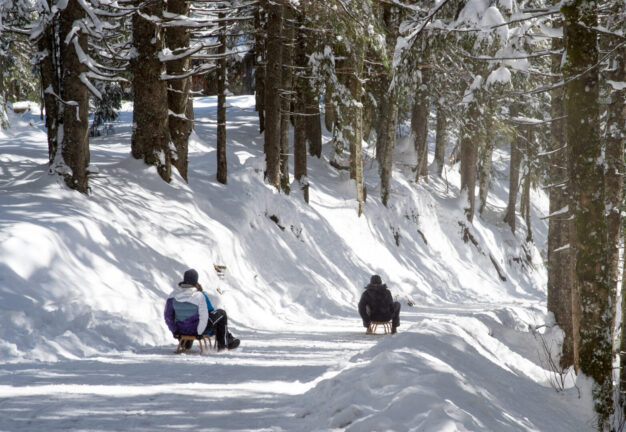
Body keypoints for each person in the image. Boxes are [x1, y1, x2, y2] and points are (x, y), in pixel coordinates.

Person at [164, 269, 240, 351]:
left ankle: (186, 342)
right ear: (195, 280)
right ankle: (224, 345)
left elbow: (168, 316)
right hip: (196, 330)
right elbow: (208, 313)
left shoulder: (173, 295)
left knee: (186, 316)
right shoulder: (199, 295)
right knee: (221, 314)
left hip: (180, 330)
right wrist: (199, 333)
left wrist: (175, 331)